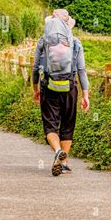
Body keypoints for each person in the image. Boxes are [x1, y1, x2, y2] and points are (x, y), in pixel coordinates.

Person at [32, 9, 89, 176]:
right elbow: (82, 70)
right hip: (70, 87)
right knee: (67, 124)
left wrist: (35, 89)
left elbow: (35, 69)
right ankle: (64, 163)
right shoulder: (76, 43)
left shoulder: (43, 41)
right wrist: (85, 95)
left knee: (50, 125)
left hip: (48, 86)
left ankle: (58, 151)